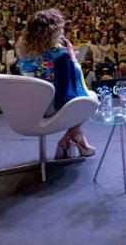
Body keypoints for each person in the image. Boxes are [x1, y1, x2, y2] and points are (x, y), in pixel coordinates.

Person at [17, 9, 97, 159]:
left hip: (25, 107)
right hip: (48, 108)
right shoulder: (59, 54)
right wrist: (72, 59)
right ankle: (69, 137)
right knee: (92, 99)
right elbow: (68, 91)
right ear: (54, 30)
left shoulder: (23, 53)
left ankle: (76, 137)